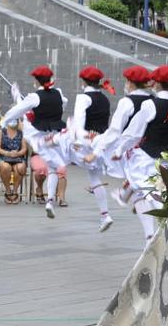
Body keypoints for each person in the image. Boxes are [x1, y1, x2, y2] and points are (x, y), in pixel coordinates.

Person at [113, 65, 168, 246]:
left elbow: (134, 133)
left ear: (157, 83)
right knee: (153, 191)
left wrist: (119, 150)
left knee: (149, 192)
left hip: (148, 157)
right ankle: (153, 232)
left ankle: (157, 232)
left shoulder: (149, 104)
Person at [1, 66, 69, 219]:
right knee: (53, 169)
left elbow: (17, 110)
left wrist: (3, 122)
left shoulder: (35, 97)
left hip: (39, 135)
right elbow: (64, 102)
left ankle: (51, 201)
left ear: (35, 81)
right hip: (56, 133)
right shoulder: (58, 93)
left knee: (25, 115)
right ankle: (50, 201)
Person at [86, 66, 153, 206]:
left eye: (127, 81)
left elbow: (115, 130)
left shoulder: (127, 102)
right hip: (150, 147)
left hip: (130, 148)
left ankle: (135, 195)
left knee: (141, 183)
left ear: (130, 82)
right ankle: (128, 192)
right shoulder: (153, 101)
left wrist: (97, 150)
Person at [68, 66, 115, 232]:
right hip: (101, 141)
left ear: (83, 81)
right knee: (95, 179)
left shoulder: (83, 98)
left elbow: (79, 123)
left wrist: (76, 139)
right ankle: (105, 215)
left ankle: (51, 198)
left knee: (54, 151)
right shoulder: (104, 98)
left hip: (87, 141)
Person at [0, 118, 27, 204]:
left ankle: (15, 191)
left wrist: (17, 153)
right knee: (5, 167)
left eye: (15, 120)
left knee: (21, 167)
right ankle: (8, 191)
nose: (13, 122)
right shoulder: (1, 132)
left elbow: (24, 149)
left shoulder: (22, 133)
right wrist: (7, 153)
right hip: (3, 157)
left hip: (18, 157)